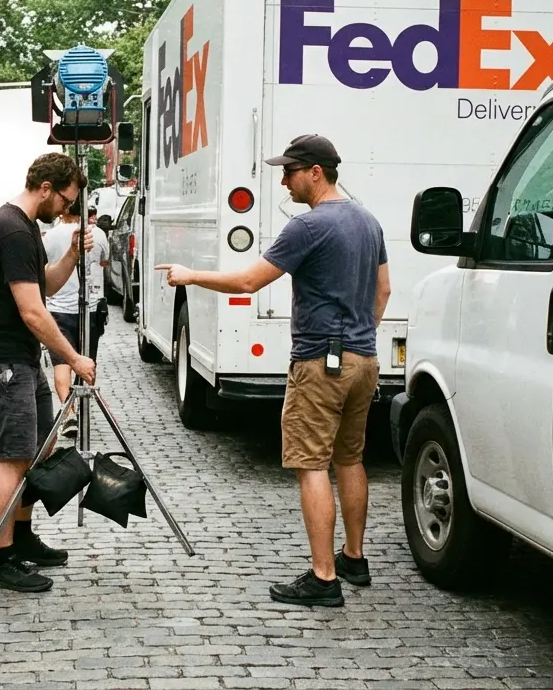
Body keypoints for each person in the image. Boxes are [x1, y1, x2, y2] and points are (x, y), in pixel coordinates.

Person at [155, 134, 390, 608]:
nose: (283, 180)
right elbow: (383, 291)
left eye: (290, 171)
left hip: (320, 362)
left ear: (315, 173)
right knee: (350, 458)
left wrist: (191, 275)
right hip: (364, 359)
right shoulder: (368, 221)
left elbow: (247, 281)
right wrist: (358, 338)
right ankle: (354, 558)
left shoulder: (308, 227)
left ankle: (324, 579)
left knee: (310, 464)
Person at [0, 151, 96, 594]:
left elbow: (46, 284)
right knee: (14, 459)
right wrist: (73, 358)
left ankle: (21, 538)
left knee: (40, 446)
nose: (66, 208)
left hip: (20, 359)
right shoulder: (14, 230)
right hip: (0, 361)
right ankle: (1, 562)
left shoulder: (26, 229)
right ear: (45, 189)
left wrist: (74, 255)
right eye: (64, 199)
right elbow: (34, 313)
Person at [42, 202, 109, 436]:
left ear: (62, 210)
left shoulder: (48, 237)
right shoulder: (97, 233)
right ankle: (84, 407)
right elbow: (104, 262)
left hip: (58, 309)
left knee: (62, 364)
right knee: (87, 361)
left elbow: (44, 270)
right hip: (90, 308)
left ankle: (68, 413)